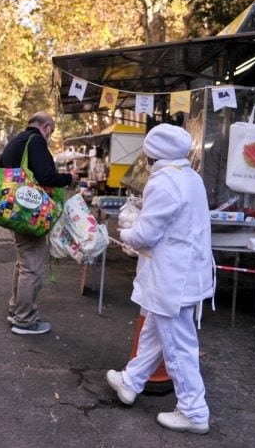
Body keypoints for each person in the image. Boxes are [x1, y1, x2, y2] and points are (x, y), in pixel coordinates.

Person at [105, 123, 214, 435]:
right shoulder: (190, 177)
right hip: (184, 273)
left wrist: (122, 232)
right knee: (154, 332)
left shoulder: (163, 182)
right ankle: (131, 382)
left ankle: (193, 411)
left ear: (153, 157)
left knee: (178, 346)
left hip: (172, 278)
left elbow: (145, 235)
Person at [0, 111, 77, 335]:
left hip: (14, 211)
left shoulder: (15, 141)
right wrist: (69, 178)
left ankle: (15, 310)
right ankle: (24, 320)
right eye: (52, 130)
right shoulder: (37, 141)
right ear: (47, 127)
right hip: (31, 213)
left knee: (23, 264)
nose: (50, 134)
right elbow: (46, 177)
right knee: (32, 268)